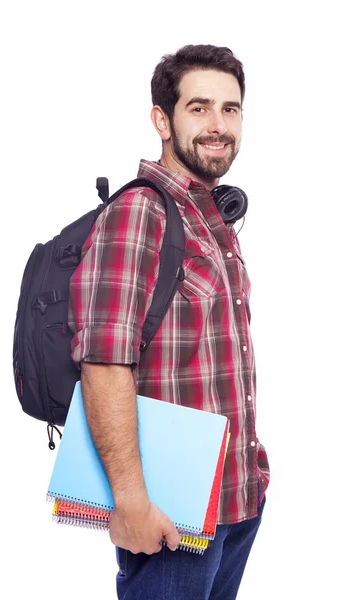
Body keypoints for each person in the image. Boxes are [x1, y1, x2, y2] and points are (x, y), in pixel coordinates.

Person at [68, 44, 270, 600]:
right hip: (171, 513)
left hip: (235, 494)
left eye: (231, 109)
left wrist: (254, 467)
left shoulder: (213, 217)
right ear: (162, 118)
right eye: (199, 107)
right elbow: (104, 360)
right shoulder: (140, 213)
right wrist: (129, 499)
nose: (218, 125)